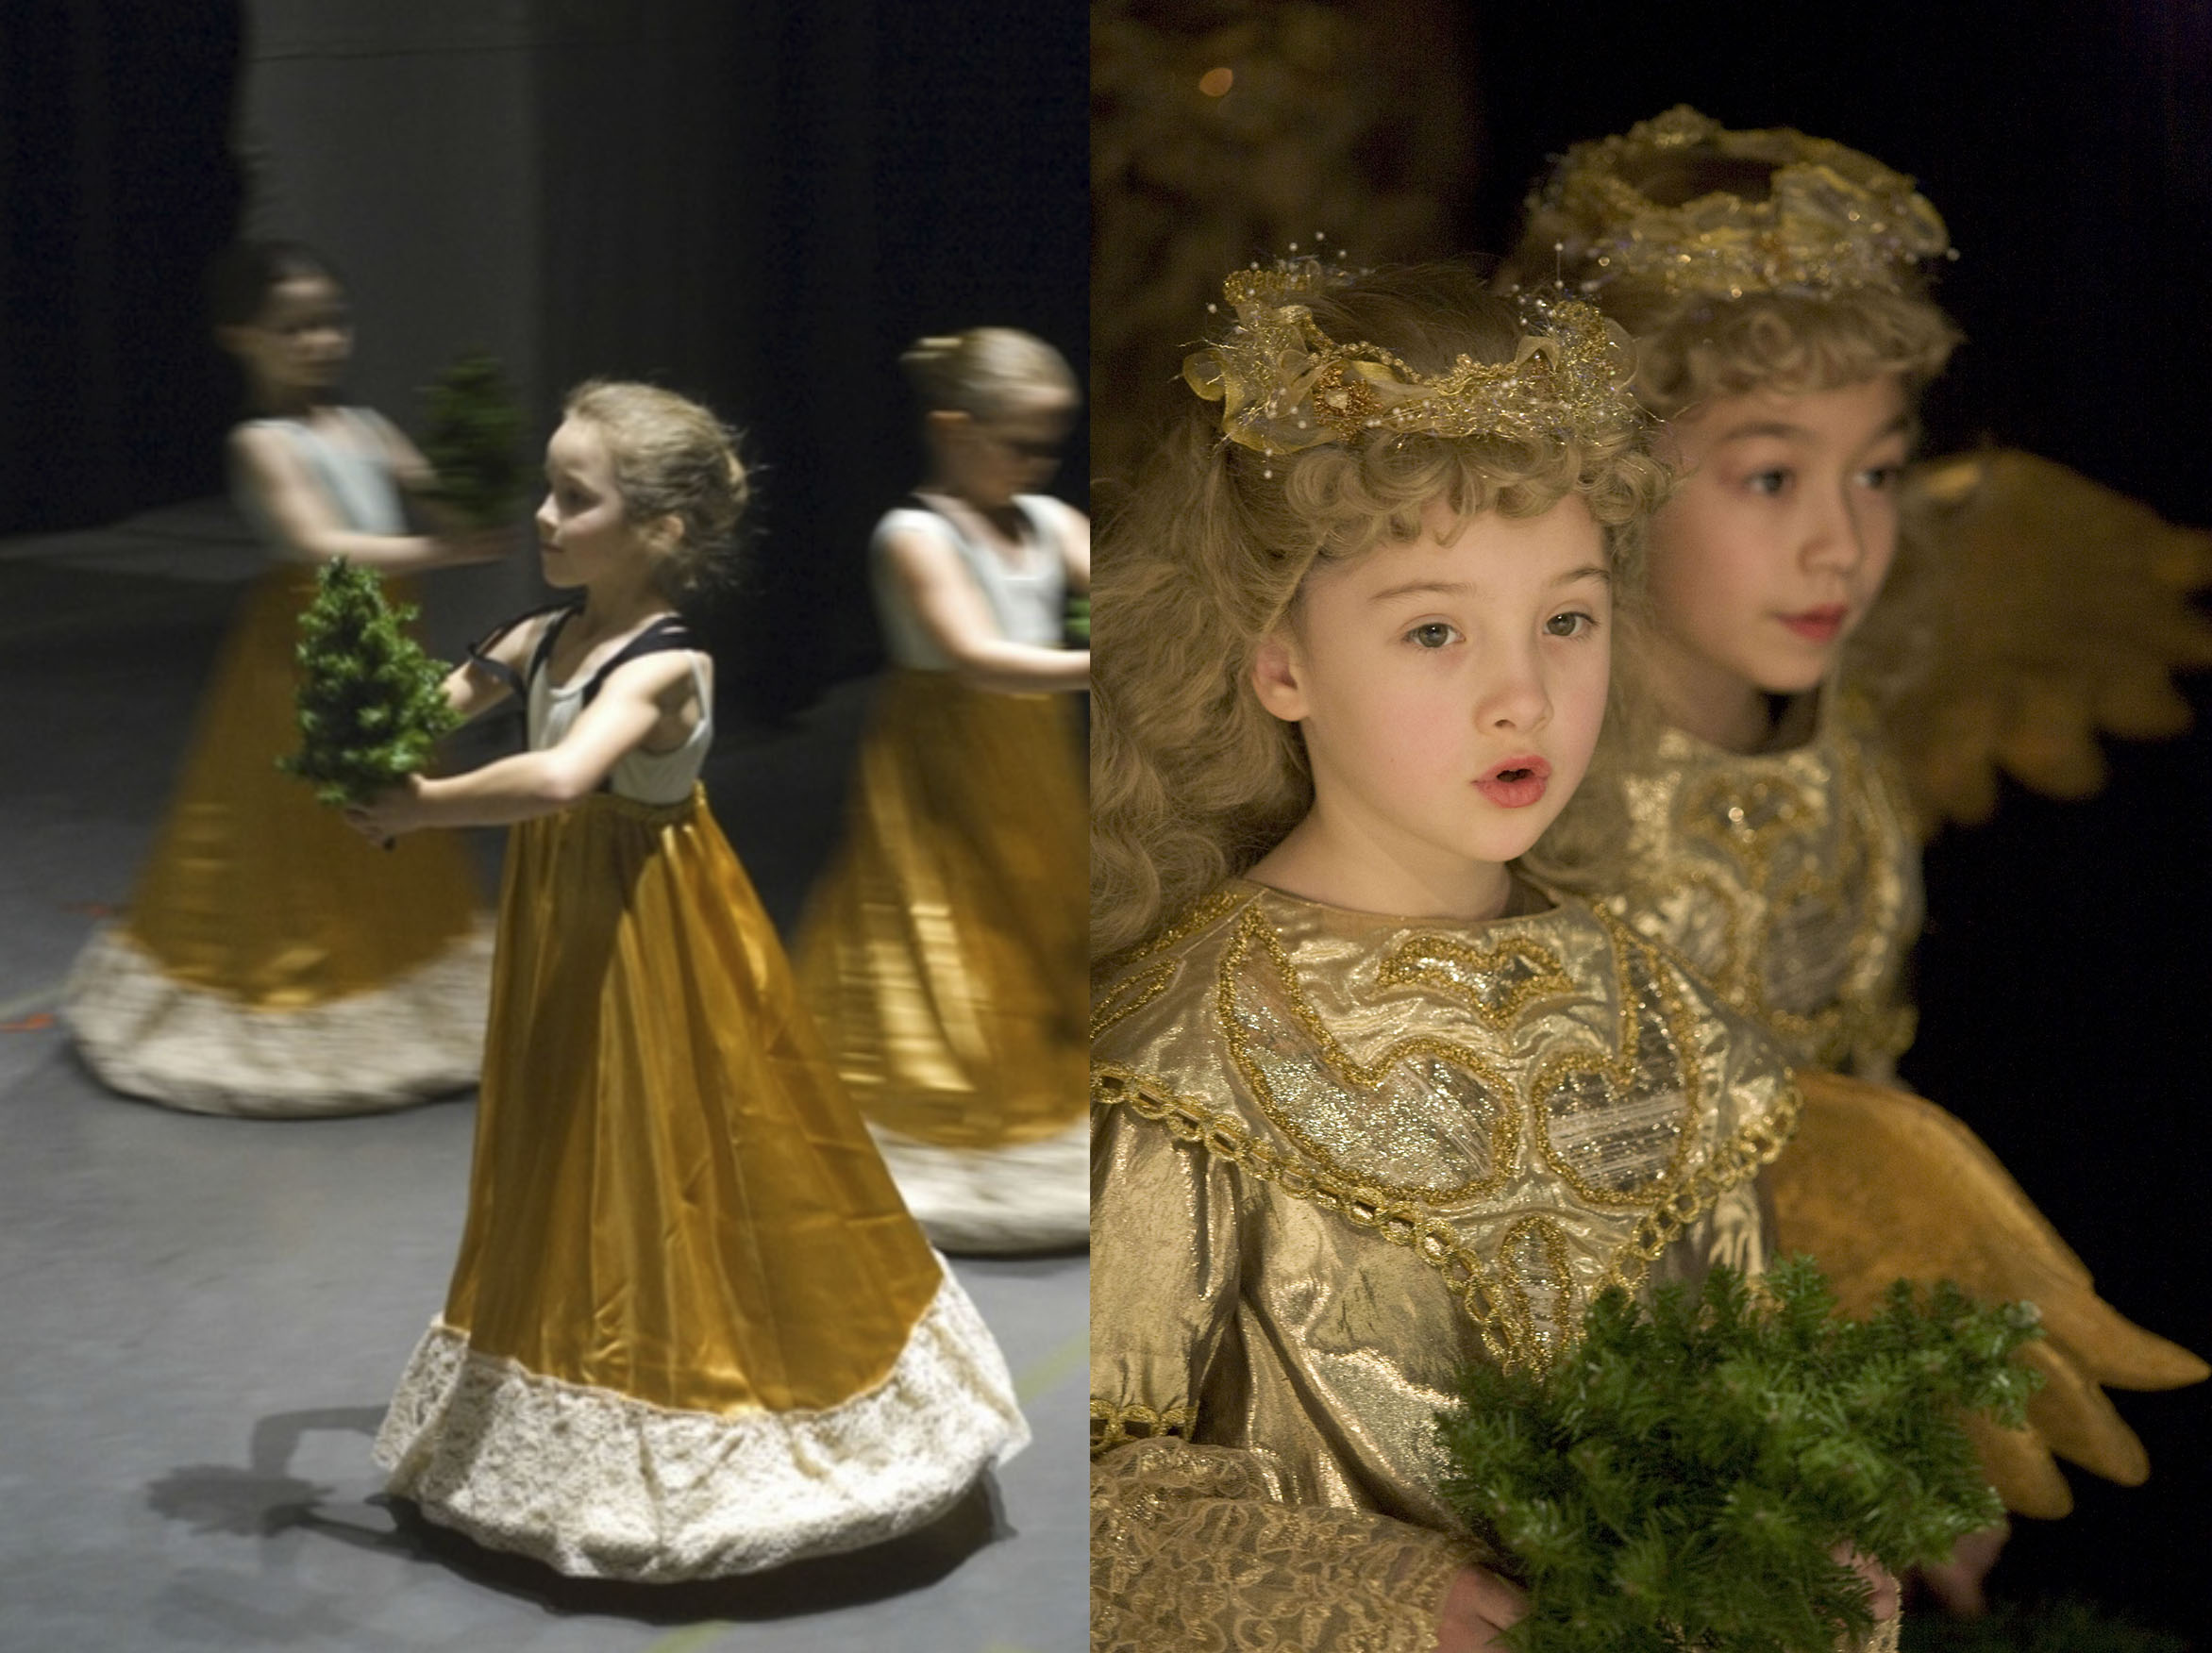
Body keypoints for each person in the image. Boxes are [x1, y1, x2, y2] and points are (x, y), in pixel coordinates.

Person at [1087, 259, 1893, 1652]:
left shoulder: (1672, 1027)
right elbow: (1074, 1497)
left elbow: (1760, 1402)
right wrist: (1392, 1601)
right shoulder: (1179, 1064)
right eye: (1435, 630)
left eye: (1566, 620)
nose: (1522, 693)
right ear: (1279, 661)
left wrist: (1808, 1554)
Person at [1504, 108, 2206, 1606]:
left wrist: (1887, 1398)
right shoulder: (1508, 762)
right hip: (1562, 1425)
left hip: (1827, 1388)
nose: (1843, 545)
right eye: (1771, 478)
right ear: (1610, 472)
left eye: (1877, 474)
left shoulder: (1855, 706)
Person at [353, 380, 1028, 1579]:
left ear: (659, 530)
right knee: (561, 1149)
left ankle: (709, 1390)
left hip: (650, 930)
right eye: (547, 490)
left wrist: (422, 807)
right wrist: (356, 730)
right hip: (565, 922)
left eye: (575, 497)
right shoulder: (535, 638)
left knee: (677, 1154)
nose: (545, 518)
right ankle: (565, 1381)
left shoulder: (664, 666)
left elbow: (566, 780)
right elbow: (424, 709)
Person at [63, 240, 502, 1115]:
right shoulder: (259, 443)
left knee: (388, 796)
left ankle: (388, 956)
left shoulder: (370, 428)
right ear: (242, 337)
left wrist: (475, 484)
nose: (319, 343)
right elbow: (318, 543)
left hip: (377, 641)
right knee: (295, 816)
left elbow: (434, 488)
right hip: (303, 648)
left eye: (330, 323)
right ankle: (294, 977)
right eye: (293, 328)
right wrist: (443, 548)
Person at [795, 329, 1090, 1252]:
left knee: (1040, 912)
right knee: (945, 926)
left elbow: (1123, 589)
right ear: (954, 430)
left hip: (1031, 753)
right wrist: (1104, 663)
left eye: (1052, 446)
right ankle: (943, 1111)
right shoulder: (912, 534)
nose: (1040, 465)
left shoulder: (1050, 523)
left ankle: (1044, 1089)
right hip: (941, 757)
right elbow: (974, 656)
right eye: (1021, 444)